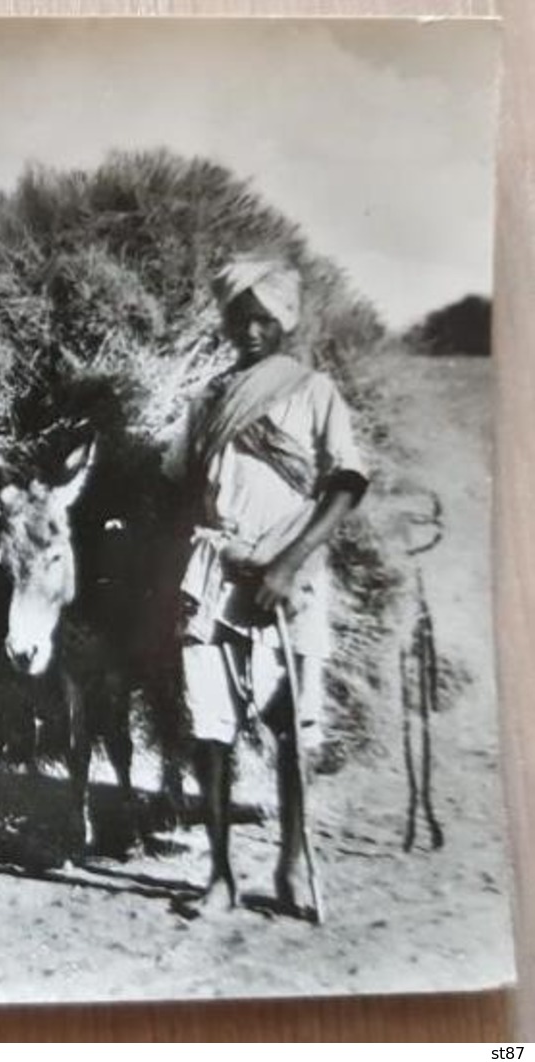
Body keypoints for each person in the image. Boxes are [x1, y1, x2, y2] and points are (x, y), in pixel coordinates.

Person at [163, 256, 369, 918]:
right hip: (214, 572)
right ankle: (219, 876)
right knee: (211, 727)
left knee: (289, 726)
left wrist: (286, 565)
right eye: (238, 317)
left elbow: (344, 484)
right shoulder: (207, 400)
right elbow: (178, 488)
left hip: (291, 577)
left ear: (282, 323)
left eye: (263, 318)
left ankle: (291, 866)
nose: (250, 330)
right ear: (225, 321)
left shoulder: (314, 393)